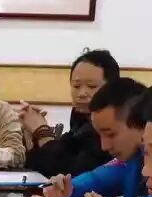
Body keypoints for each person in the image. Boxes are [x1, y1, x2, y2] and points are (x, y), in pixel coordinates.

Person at [26, 78, 152, 197]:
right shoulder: (132, 159)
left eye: (111, 134)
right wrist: (66, 188)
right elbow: (96, 179)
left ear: (142, 125)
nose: (104, 146)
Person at [21, 49, 120, 177]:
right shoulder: (79, 121)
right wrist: (32, 135)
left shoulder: (113, 126)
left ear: (112, 88)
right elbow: (39, 164)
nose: (82, 93)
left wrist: (42, 132)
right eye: (76, 86)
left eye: (91, 86)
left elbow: (72, 172)